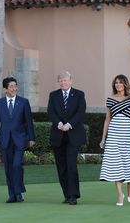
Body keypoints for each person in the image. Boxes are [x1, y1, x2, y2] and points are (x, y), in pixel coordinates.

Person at [99, 74, 130, 205]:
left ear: (125, 84)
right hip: (113, 135)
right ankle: (120, 194)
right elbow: (107, 119)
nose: (118, 85)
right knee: (115, 164)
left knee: (127, 161)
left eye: (120, 82)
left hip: (127, 134)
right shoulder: (110, 99)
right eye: (116, 83)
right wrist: (103, 138)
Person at [0, 77, 35, 203]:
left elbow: (28, 122)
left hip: (20, 139)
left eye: (15, 86)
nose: (14, 88)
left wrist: (31, 138)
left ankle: (19, 192)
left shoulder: (23, 102)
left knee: (17, 165)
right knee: (8, 168)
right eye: (11, 86)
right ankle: (12, 194)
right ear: (5, 89)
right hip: (5, 140)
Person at [47, 71, 86, 205]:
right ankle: (67, 194)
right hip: (58, 136)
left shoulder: (79, 94)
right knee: (61, 167)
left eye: (65, 80)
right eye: (61, 80)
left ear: (71, 81)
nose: (63, 83)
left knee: (71, 165)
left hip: (73, 136)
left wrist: (69, 124)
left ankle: (74, 195)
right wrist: (58, 123)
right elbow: (50, 112)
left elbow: (81, 112)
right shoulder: (53, 95)